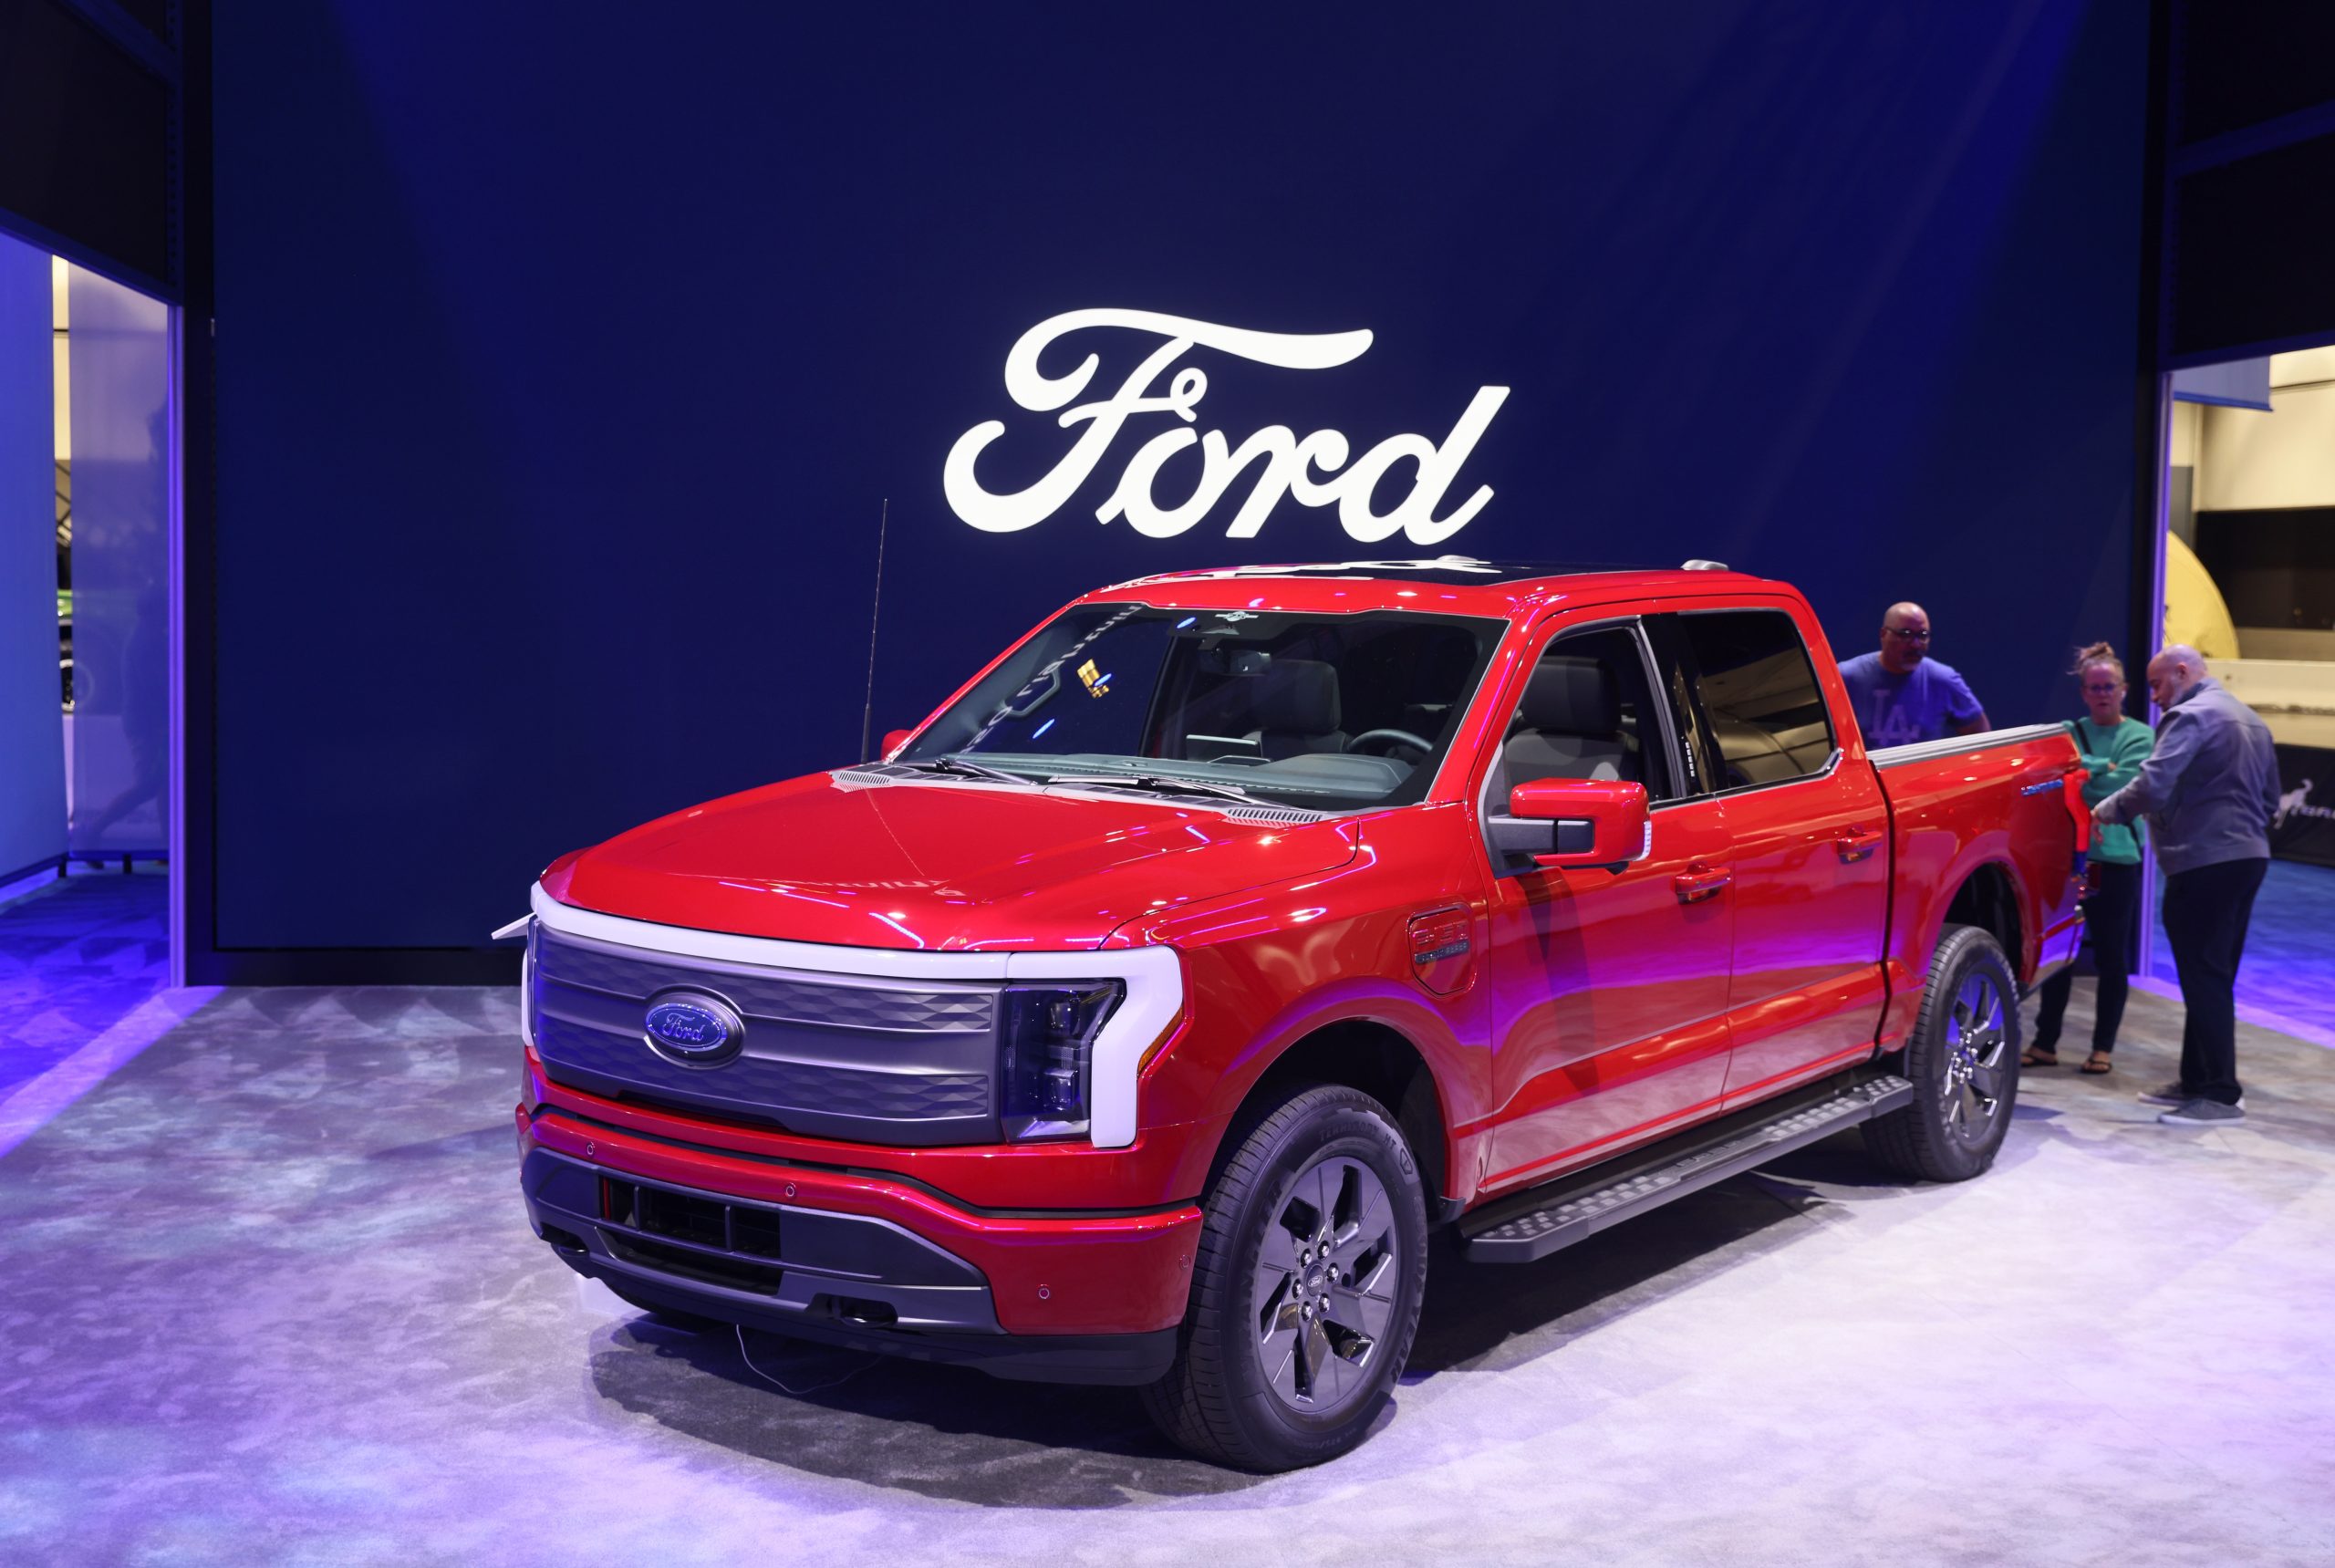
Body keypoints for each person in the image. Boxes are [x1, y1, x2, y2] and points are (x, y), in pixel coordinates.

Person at [2093, 644, 2281, 1127]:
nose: (2154, 697)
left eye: (2157, 684)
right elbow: (2272, 800)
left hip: (2204, 863)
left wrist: (2108, 811)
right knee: (2212, 974)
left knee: (2204, 975)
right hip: (2247, 859)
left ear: (2181, 673)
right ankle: (2197, 1080)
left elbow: (2154, 785)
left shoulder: (2190, 716)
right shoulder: (2251, 719)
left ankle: (2219, 1092)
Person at [2025, 643, 2152, 1075]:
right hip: (2071, 861)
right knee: (2061, 956)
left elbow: (2125, 790)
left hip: (2117, 860)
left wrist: (2085, 773)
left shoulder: (2140, 736)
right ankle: (2045, 1043)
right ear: (2083, 692)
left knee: (2112, 957)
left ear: (2124, 690)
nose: (2102, 694)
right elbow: (2058, 782)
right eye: (2094, 687)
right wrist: (2101, 767)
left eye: (2109, 687)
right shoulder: (2066, 731)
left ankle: (2103, 1048)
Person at [1838, 601, 1990, 748]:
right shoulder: (1847, 677)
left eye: (1923, 635)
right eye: (1905, 634)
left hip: (1923, 774)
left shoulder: (1943, 679)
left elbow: (1982, 738)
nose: (1916, 644)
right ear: (1883, 634)